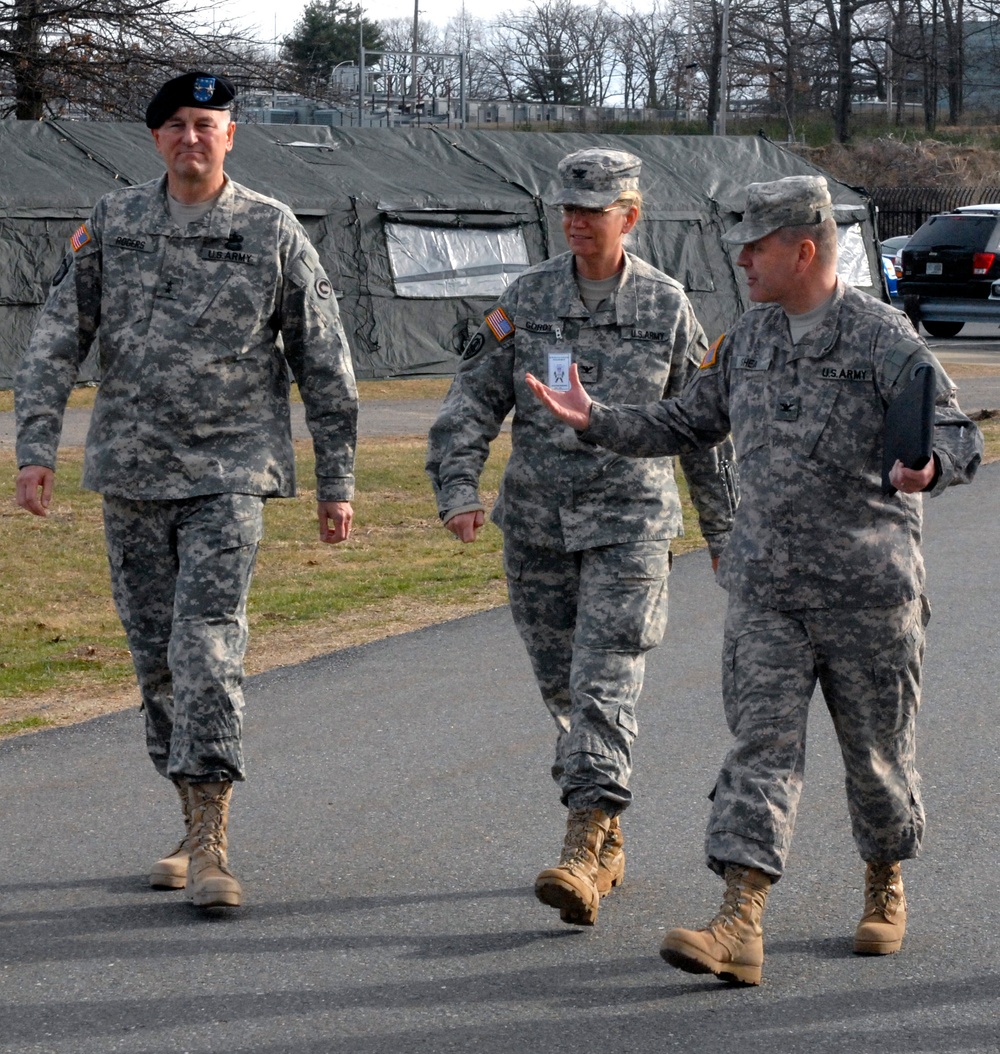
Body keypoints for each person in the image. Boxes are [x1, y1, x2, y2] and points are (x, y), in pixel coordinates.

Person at [527, 175, 983, 981]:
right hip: (767, 593)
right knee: (759, 753)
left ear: (803, 248)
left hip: (868, 596)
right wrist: (593, 419)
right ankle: (739, 919)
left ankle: (884, 880)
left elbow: (955, 432)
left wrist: (933, 465)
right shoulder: (749, 338)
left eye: (756, 245)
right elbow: (685, 421)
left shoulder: (883, 337)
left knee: (876, 760)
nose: (741, 259)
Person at [14, 72, 358, 909]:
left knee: (205, 646)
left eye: (206, 124)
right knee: (154, 663)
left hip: (229, 475)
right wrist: (36, 449)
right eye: (174, 125)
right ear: (156, 139)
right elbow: (59, 337)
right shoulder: (116, 220)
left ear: (231, 135)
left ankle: (212, 837)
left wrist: (335, 479)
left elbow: (323, 357)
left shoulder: (271, 228)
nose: (190, 138)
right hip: (131, 473)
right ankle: (186, 813)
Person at [427, 148, 736, 928]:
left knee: (606, 681)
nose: (576, 221)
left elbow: (702, 426)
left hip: (629, 526)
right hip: (536, 529)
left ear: (629, 217)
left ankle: (580, 842)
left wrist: (724, 529)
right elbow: (473, 398)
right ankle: (608, 836)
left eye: (593, 210)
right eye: (567, 207)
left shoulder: (666, 306)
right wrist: (457, 486)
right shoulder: (526, 300)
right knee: (564, 689)